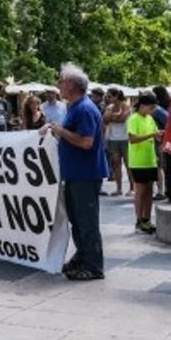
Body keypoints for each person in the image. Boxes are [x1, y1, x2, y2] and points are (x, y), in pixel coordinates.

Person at [41, 63, 108, 281]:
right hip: (75, 174)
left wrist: (60, 131)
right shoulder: (75, 107)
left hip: (85, 175)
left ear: (71, 84)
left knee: (86, 222)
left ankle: (93, 266)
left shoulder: (84, 109)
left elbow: (86, 142)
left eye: (61, 81)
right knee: (77, 220)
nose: (58, 85)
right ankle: (82, 257)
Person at [127, 94, 161, 234]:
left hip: (150, 159)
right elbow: (132, 139)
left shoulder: (150, 118)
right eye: (151, 107)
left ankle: (147, 218)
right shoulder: (134, 119)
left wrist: (158, 135)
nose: (152, 110)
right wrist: (152, 135)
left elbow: (155, 133)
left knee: (149, 190)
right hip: (138, 161)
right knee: (140, 191)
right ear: (143, 105)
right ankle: (139, 220)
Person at [103, 89, 131, 196]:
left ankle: (132, 188)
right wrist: (114, 117)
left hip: (126, 138)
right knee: (116, 164)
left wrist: (112, 117)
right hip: (113, 139)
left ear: (116, 96)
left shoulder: (126, 105)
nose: (107, 98)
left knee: (129, 164)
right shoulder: (109, 107)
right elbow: (105, 119)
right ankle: (118, 188)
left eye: (109, 96)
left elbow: (122, 118)